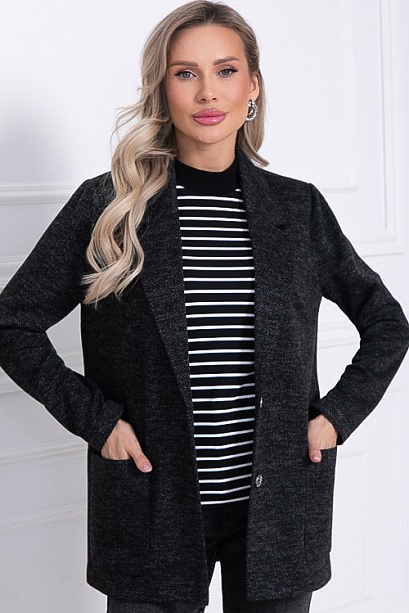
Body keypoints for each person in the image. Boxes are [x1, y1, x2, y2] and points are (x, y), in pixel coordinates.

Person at [0, 1, 408, 612]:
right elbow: (12, 323)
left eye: (226, 70)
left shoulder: (298, 210)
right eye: (185, 73)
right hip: (150, 506)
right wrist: (98, 422)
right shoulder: (109, 207)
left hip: (278, 512)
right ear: (161, 88)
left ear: (253, 86)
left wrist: (336, 417)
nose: (207, 92)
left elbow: (386, 323)